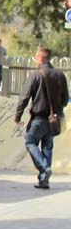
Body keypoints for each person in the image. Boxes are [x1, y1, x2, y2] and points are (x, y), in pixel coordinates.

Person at [15, 47, 69, 189]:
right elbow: (66, 98)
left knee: (30, 142)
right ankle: (44, 180)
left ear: (41, 59)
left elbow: (24, 97)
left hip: (38, 118)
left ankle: (44, 168)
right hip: (54, 119)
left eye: (36, 58)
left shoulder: (36, 75)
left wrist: (18, 116)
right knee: (48, 146)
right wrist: (57, 110)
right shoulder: (60, 74)